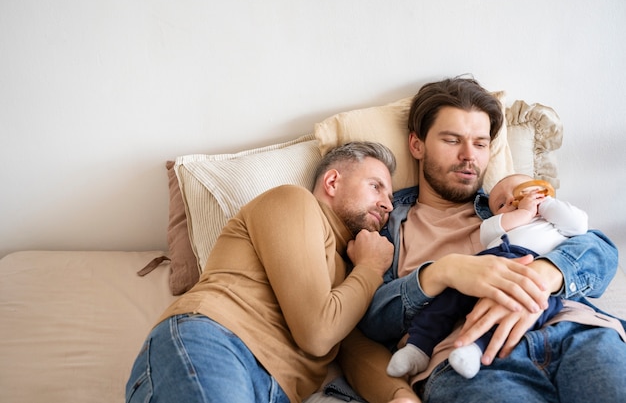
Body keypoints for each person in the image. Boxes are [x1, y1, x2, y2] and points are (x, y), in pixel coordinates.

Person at [336, 77, 625, 403]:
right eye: (452, 140)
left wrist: (547, 273)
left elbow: (599, 248)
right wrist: (442, 272)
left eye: (480, 143)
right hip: (467, 362)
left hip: (573, 331)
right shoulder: (388, 224)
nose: (468, 156)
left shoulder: (511, 203)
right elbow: (370, 320)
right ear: (417, 145)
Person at [125, 141, 408, 403]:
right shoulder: (292, 201)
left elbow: (354, 348)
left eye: (391, 196)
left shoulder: (350, 274)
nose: (388, 204)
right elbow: (318, 333)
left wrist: (400, 395)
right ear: (332, 182)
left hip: (272, 390)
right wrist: (370, 268)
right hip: (214, 343)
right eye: (376, 187)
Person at [386, 173, 589, 379]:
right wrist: (525, 211)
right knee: (447, 300)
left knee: (520, 309)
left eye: (520, 190)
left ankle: (474, 349)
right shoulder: (497, 225)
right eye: (501, 204)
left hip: (536, 271)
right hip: (488, 263)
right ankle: (418, 347)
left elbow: (580, 225)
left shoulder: (554, 220)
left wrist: (544, 204)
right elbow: (489, 230)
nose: (511, 200)